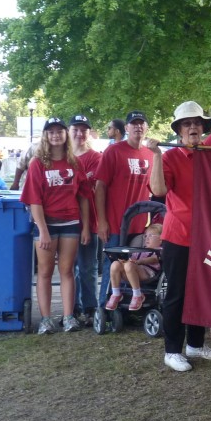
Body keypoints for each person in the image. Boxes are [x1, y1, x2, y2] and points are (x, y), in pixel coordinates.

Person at [146, 101, 211, 373]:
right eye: (187, 123)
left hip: (207, 236)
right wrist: (155, 156)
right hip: (179, 236)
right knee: (177, 294)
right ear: (179, 129)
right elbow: (157, 190)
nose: (193, 127)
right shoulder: (170, 157)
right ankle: (172, 350)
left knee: (201, 292)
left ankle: (196, 345)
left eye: (197, 123)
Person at [20, 117, 90, 334]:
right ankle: (46, 319)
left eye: (60, 131)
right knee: (45, 272)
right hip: (46, 225)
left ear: (65, 135)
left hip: (70, 223)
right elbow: (34, 200)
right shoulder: (38, 163)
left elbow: (84, 197)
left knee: (67, 270)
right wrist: (42, 230)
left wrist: (86, 226)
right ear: (45, 136)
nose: (56, 135)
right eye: (51, 132)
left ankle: (68, 316)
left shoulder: (74, 163)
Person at [95, 110, 155, 308]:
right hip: (114, 223)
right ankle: (104, 307)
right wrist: (101, 221)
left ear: (146, 128)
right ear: (126, 128)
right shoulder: (114, 151)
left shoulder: (150, 155)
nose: (138, 127)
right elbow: (100, 186)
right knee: (111, 265)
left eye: (142, 123)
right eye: (134, 123)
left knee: (132, 265)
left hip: (138, 225)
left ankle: (130, 302)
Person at [70, 115, 102, 326]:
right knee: (68, 268)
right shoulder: (60, 157)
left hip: (89, 222)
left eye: (84, 130)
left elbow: (98, 190)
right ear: (69, 131)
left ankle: (89, 308)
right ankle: (71, 309)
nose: (80, 134)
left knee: (87, 267)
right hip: (64, 222)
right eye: (76, 129)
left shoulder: (96, 158)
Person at [105, 223, 162, 310]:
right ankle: (116, 293)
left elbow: (154, 259)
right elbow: (131, 260)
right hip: (133, 271)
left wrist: (138, 262)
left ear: (160, 239)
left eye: (151, 235)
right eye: (146, 236)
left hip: (148, 273)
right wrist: (124, 262)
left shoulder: (159, 250)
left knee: (129, 265)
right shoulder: (140, 250)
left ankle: (137, 295)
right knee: (115, 264)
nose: (147, 238)